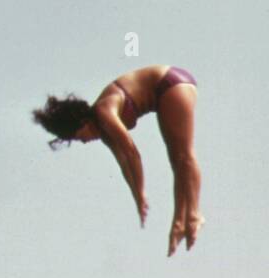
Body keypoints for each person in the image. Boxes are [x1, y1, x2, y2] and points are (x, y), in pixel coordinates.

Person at [32, 65, 202, 256]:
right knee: (176, 160)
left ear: (83, 123)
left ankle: (194, 214)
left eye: (80, 137)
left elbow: (132, 152)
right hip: (163, 95)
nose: (85, 142)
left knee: (183, 155)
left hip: (170, 83)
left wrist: (142, 190)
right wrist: (138, 196)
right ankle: (180, 222)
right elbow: (124, 165)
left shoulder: (104, 111)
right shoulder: (105, 134)